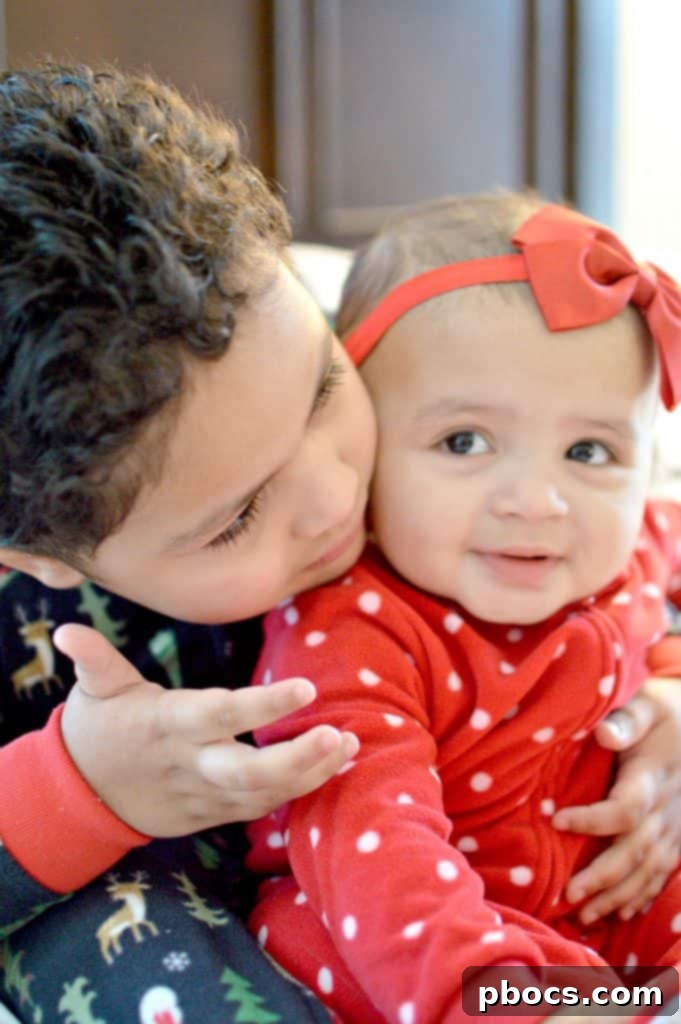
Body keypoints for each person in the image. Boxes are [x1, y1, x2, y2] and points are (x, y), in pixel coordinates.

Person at [0, 66, 676, 1023]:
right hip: (174, 891)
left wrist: (662, 698)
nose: (335, 498)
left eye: (323, 386)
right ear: (35, 558)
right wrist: (75, 789)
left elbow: (646, 554)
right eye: (235, 517)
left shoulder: (418, 427)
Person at [247, 192, 681, 1024]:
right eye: (464, 442)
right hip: (430, 931)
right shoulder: (353, 627)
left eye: (589, 451)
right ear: (363, 446)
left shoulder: (632, 546)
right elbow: (378, 852)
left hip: (617, 893)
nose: (536, 502)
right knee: (309, 933)